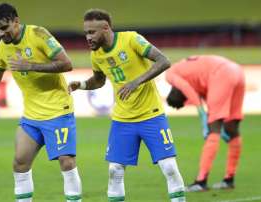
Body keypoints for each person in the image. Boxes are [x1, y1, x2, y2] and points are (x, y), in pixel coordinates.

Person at [69, 9, 186, 202]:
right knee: (115, 170)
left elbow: (163, 61)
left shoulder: (131, 39)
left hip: (151, 115)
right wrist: (81, 85)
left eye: (92, 32)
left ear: (106, 28)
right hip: (122, 119)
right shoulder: (96, 55)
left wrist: (136, 82)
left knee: (169, 167)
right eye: (86, 33)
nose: (88, 37)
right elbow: (99, 81)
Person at [0, 3, 82, 202]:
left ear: (16, 21)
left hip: (58, 110)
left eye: (4, 28)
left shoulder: (38, 34)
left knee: (66, 162)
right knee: (20, 162)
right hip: (31, 116)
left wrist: (30, 65)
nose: (1, 33)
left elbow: (67, 64)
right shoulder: (3, 46)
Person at [165, 55, 244, 192]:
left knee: (213, 130)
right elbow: (210, 99)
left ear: (174, 90)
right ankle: (229, 179)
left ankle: (201, 182)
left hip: (221, 74)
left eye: (183, 100)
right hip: (236, 70)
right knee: (231, 128)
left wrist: (202, 115)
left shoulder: (170, 75)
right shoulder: (191, 74)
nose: (185, 100)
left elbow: (185, 88)